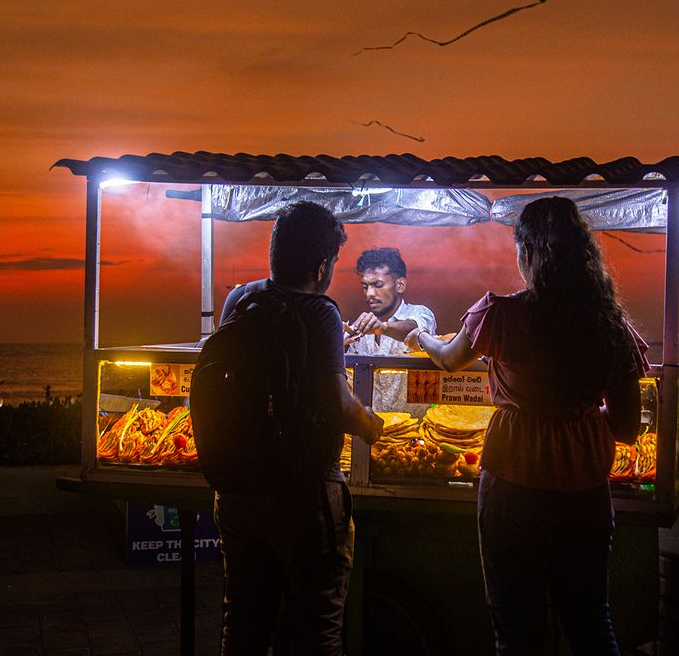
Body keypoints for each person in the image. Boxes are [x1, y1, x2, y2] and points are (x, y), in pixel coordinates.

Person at [406, 196, 647, 655]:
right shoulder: (610, 325)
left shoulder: (503, 314)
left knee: (517, 631)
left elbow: (450, 359)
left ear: (530, 253)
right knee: (592, 623)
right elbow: (627, 428)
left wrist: (419, 337)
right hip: (586, 490)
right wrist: (576, 413)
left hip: (513, 486)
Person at [214, 201, 384, 655]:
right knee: (316, 630)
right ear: (323, 265)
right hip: (303, 495)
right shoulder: (319, 311)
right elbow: (337, 405)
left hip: (238, 490)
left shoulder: (240, 299)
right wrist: (373, 426)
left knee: (243, 625)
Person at [345, 248, 437, 411]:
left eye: (378, 285)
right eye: (365, 287)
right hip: (370, 432)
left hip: (414, 432)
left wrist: (383, 327)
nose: (369, 294)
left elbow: (415, 329)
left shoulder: (421, 313)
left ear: (400, 285)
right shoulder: (359, 328)